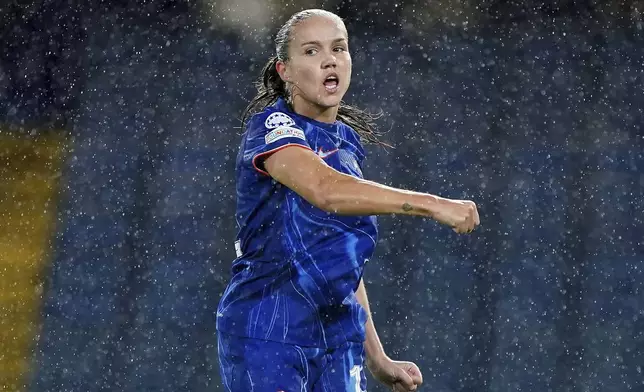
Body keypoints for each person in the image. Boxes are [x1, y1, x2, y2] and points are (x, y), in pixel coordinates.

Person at [216, 8, 480, 392]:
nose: (329, 59)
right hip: (268, 330)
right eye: (311, 51)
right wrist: (431, 203)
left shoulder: (346, 145)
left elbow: (341, 259)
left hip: (337, 338)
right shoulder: (272, 129)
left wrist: (378, 358)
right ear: (284, 70)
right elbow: (324, 190)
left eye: (339, 48)